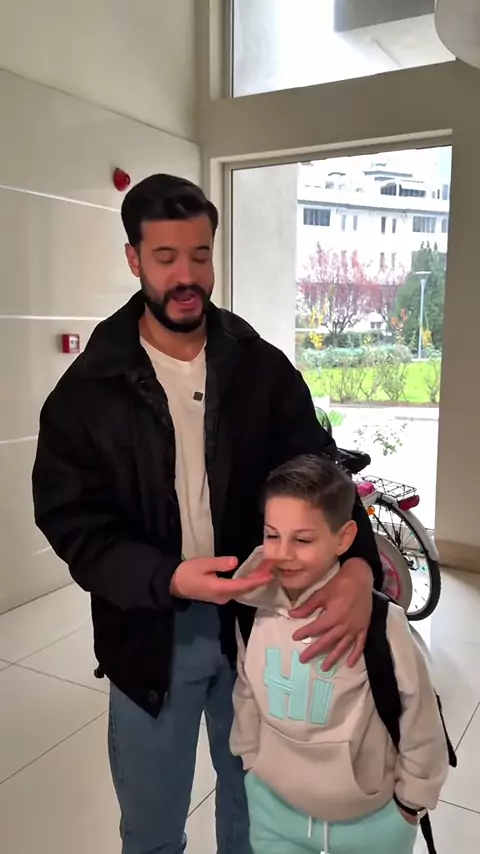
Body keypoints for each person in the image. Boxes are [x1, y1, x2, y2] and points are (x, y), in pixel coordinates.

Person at [32, 174, 383, 854]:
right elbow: (73, 522)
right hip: (148, 636)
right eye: (166, 258)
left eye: (200, 255)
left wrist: (358, 567)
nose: (187, 276)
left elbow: (321, 471)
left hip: (259, 623)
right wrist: (168, 577)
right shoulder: (88, 391)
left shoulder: (260, 368)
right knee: (153, 828)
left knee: (254, 814)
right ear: (134, 258)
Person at [230, 454, 449, 854]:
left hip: (372, 824)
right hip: (274, 814)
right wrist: (251, 761)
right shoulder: (253, 607)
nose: (283, 553)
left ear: (344, 538)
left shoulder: (382, 621)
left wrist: (410, 802)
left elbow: (418, 713)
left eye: (303, 540)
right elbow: (247, 690)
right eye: (272, 535)